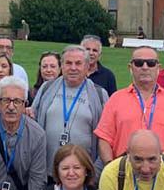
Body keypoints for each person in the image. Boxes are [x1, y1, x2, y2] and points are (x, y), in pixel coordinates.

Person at [95, 47, 164, 163]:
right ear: (130, 68)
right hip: (124, 172)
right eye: (138, 63)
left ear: (158, 68)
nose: (145, 67)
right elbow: (104, 139)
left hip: (162, 173)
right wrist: (112, 168)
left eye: (151, 63)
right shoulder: (116, 99)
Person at [32, 45, 109, 174]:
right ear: (62, 66)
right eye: (68, 63)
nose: (73, 68)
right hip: (48, 170)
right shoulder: (47, 88)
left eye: (78, 63)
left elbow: (105, 135)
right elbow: (33, 118)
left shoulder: (99, 94)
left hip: (83, 172)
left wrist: (95, 172)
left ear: (87, 66)